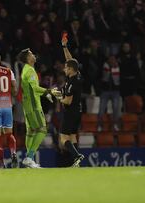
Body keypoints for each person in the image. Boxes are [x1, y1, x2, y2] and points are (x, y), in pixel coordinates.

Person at [17, 48, 61, 168]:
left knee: (31, 131)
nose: (33, 55)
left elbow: (32, 89)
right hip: (33, 105)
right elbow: (35, 88)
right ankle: (30, 157)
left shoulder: (27, 70)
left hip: (28, 104)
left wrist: (46, 94)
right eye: (31, 54)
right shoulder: (30, 71)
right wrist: (49, 91)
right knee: (42, 130)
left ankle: (28, 159)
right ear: (27, 58)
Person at [59, 32, 84, 167]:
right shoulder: (77, 76)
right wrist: (64, 47)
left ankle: (77, 156)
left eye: (66, 67)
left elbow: (67, 101)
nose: (64, 68)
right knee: (73, 136)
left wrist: (59, 98)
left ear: (70, 69)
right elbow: (71, 61)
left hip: (70, 111)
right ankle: (77, 161)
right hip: (78, 111)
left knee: (63, 138)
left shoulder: (71, 83)